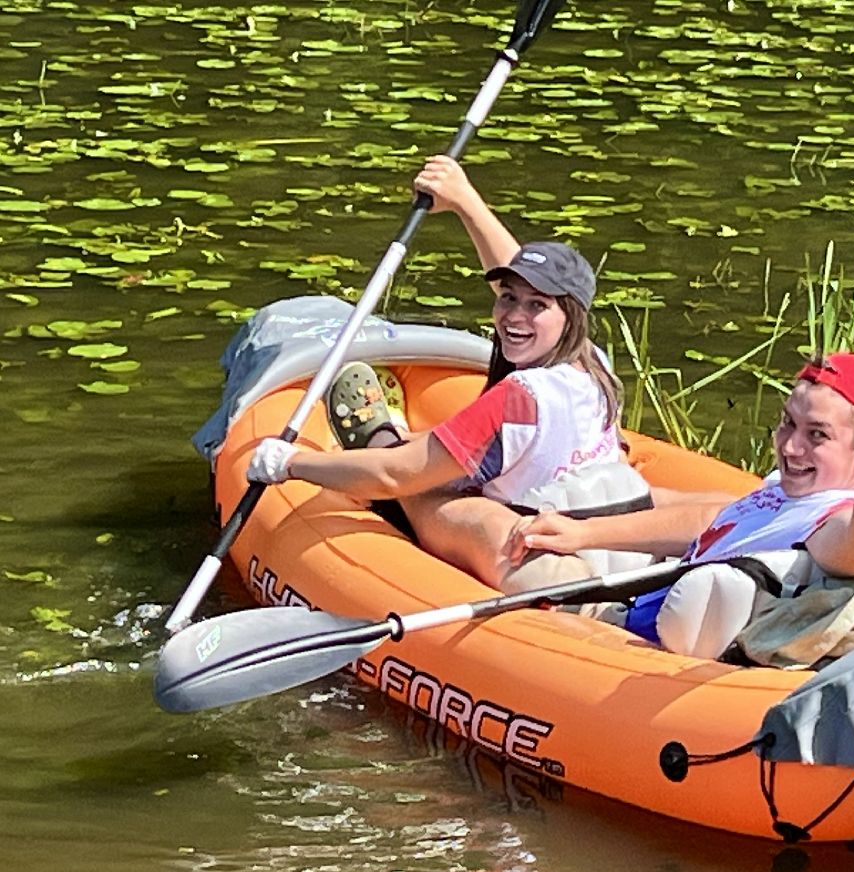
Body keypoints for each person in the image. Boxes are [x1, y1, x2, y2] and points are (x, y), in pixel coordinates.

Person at [246, 155, 631, 592]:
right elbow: (526, 285)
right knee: (440, 452)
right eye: (507, 298)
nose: (513, 316)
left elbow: (397, 474)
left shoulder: (518, 398)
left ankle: (379, 437)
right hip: (588, 529)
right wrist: (467, 202)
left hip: (523, 539)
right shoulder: (593, 362)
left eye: (536, 305)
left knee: (420, 480)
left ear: (569, 316)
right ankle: (405, 442)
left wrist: (289, 463)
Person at [508, 303, 854, 645]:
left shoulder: (833, 526)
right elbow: (717, 518)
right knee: (606, 488)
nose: (791, 446)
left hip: (633, 637)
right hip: (642, 598)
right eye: (789, 422)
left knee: (488, 534)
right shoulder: (790, 490)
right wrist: (585, 532)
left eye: (817, 435)